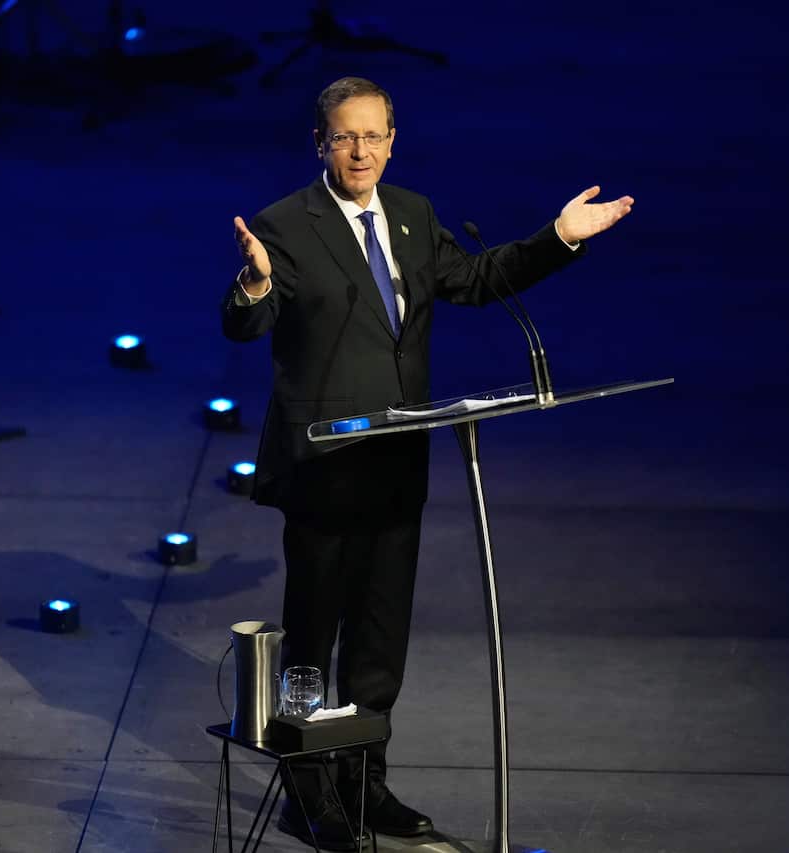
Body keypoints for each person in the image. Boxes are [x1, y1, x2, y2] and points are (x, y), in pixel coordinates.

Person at [222, 76, 633, 851]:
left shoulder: (411, 214)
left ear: (392, 139)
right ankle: (308, 792)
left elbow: (475, 280)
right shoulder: (285, 224)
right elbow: (248, 321)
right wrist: (252, 283)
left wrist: (561, 236)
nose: (361, 150)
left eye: (374, 135)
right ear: (321, 144)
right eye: (345, 137)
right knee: (314, 640)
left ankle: (365, 783)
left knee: (379, 640)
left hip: (395, 467)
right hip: (323, 468)